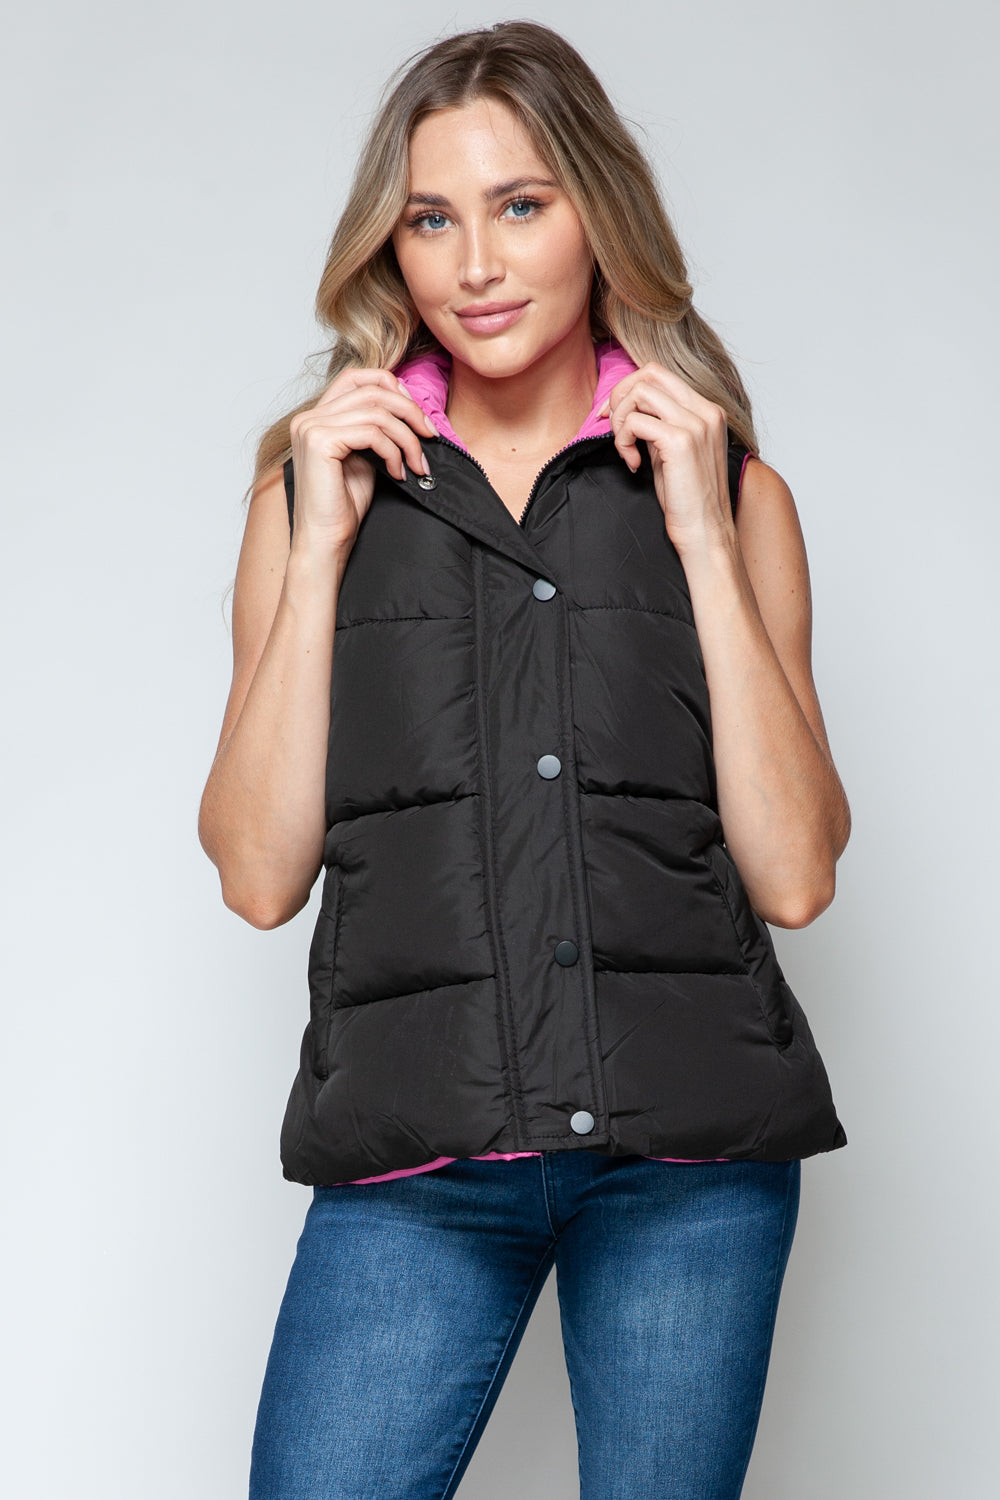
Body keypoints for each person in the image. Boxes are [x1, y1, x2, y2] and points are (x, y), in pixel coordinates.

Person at [198, 19, 850, 1500]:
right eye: (432, 218)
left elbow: (797, 877)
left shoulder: (735, 497)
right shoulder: (311, 502)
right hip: (417, 1159)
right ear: (392, 246)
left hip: (688, 1162)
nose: (476, 265)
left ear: (597, 215)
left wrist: (701, 534)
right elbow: (255, 875)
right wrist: (319, 550)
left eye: (520, 205)